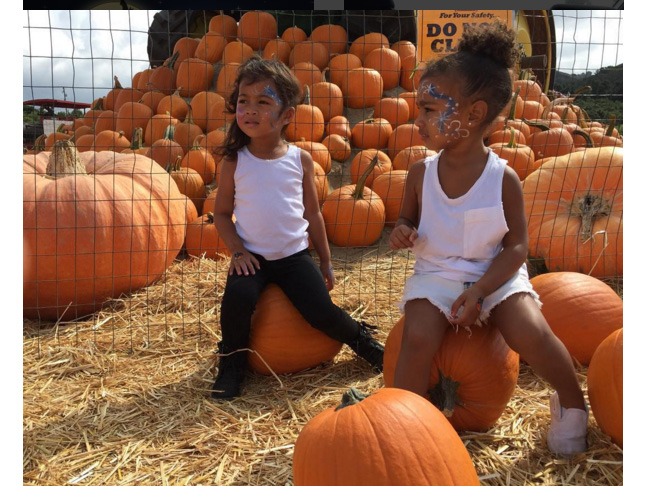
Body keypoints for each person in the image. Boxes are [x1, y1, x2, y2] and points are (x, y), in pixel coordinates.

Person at [388, 22, 588, 456]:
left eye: (428, 109)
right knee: (418, 337)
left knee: (530, 330)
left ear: (474, 114)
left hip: (493, 273)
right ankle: (402, 419)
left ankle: (574, 405)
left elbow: (517, 247)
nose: (417, 119)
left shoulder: (504, 179)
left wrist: (482, 290)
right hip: (437, 272)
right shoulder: (421, 173)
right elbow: (405, 218)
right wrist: (402, 230)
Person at [211, 57, 384, 400]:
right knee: (237, 302)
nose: (250, 109)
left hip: (293, 257)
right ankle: (232, 363)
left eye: (263, 102)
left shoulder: (300, 160)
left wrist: (324, 260)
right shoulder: (235, 161)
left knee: (320, 312)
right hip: (253, 258)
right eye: (244, 101)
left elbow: (313, 214)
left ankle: (363, 342)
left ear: (287, 115)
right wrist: (238, 251)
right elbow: (221, 214)